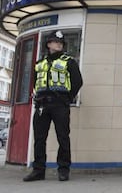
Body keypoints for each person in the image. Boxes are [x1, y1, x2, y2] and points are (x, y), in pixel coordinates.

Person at [23, 30, 83, 182]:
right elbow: (35, 81)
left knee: (63, 137)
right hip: (42, 104)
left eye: (61, 43)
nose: (59, 44)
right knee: (39, 138)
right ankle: (38, 171)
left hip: (60, 104)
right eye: (56, 41)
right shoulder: (40, 63)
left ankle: (63, 170)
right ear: (49, 44)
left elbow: (77, 82)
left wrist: (67, 99)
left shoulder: (69, 61)